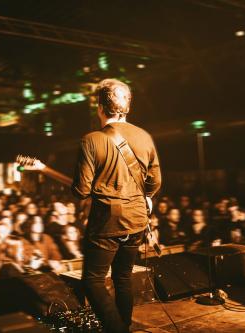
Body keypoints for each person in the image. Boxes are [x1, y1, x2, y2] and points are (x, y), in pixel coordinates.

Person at [71, 78, 161, 333]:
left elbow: (81, 191)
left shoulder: (91, 140)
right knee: (123, 277)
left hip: (107, 222)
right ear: (127, 107)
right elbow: (155, 182)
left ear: (100, 107)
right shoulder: (144, 137)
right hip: (137, 219)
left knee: (93, 281)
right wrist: (146, 196)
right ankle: (126, 325)